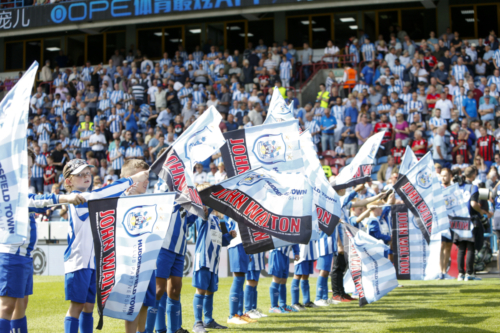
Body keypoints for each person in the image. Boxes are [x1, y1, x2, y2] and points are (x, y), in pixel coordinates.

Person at [0, 149, 85, 333]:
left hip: (24, 256)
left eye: (31, 167)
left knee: (21, 303)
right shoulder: (11, 192)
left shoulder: (21, 190)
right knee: (7, 306)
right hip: (11, 254)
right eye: (26, 167)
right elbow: (38, 201)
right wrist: (65, 197)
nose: (29, 171)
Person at [62, 159, 148, 333]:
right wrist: (132, 179)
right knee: (77, 307)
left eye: (88, 173)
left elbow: (110, 206)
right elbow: (103, 194)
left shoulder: (89, 198)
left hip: (91, 262)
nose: (86, 177)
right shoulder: (80, 199)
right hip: (78, 261)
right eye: (80, 174)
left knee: (88, 306)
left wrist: (124, 195)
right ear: (68, 181)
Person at [145, 174, 199, 333]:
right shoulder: (162, 187)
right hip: (163, 245)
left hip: (180, 247)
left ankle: (173, 330)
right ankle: (150, 329)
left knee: (175, 290)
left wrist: (197, 211)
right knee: (158, 290)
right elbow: (163, 208)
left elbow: (186, 219)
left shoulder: (185, 192)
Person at [119, 159, 156, 333]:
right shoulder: (121, 200)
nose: (147, 181)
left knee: (146, 302)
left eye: (148, 176)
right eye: (143, 177)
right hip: (131, 260)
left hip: (148, 259)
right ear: (130, 178)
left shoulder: (149, 201)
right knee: (132, 303)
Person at [192, 206, 235, 333]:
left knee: (211, 290)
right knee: (201, 290)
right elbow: (204, 213)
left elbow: (219, 240)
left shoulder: (216, 220)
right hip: (204, 258)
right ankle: (197, 323)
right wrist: (211, 202)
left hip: (214, 260)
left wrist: (229, 237)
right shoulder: (202, 215)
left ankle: (208, 320)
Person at [455, 167, 490, 281]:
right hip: (471, 219)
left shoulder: (458, 186)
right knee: (470, 247)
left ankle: (461, 274)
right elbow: (479, 204)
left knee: (461, 248)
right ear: (474, 174)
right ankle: (469, 273)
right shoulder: (476, 186)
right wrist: (482, 214)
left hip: (459, 219)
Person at [225, 218, 258, 324]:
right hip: (236, 243)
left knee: (241, 279)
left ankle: (239, 314)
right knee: (238, 279)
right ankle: (232, 315)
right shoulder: (232, 207)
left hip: (243, 244)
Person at [291, 239, 318, 308]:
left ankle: (306, 301)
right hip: (302, 251)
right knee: (297, 275)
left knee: (306, 276)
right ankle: (294, 303)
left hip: (310, 250)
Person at [438, 168, 454, 280]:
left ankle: (445, 271)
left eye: (445, 175)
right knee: (441, 245)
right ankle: (440, 272)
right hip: (441, 221)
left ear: (450, 176)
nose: (443, 178)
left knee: (448, 246)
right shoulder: (438, 189)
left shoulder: (454, 189)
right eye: (442, 176)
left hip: (451, 221)